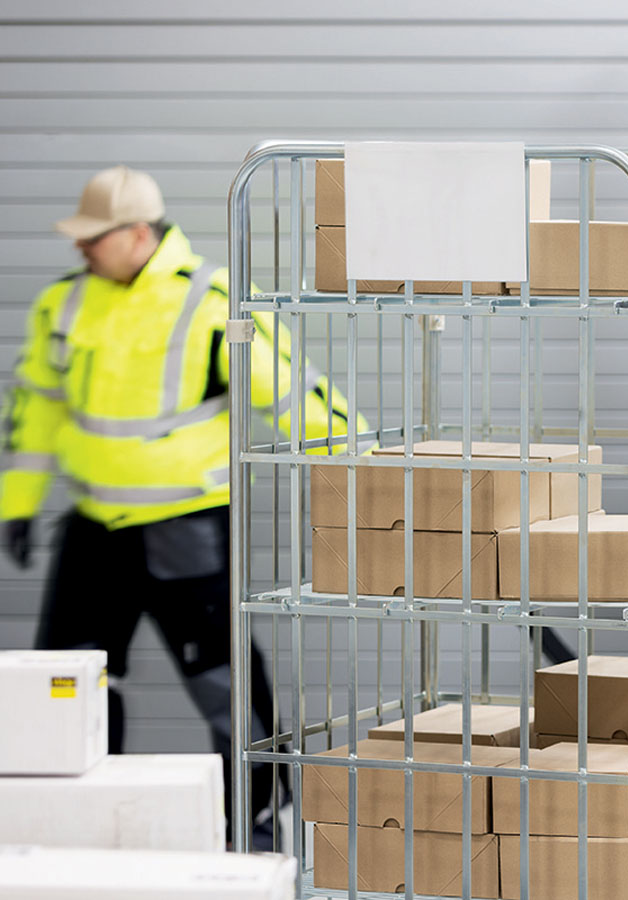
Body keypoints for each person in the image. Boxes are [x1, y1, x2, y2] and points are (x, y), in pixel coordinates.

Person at [0, 165, 367, 841]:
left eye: (94, 237)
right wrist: (17, 504)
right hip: (93, 531)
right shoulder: (64, 303)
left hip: (186, 529)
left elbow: (292, 394)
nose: (81, 247)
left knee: (225, 686)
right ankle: (72, 831)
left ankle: (258, 822)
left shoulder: (212, 299)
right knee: (67, 687)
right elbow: (37, 410)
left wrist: (368, 481)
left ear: (139, 234)